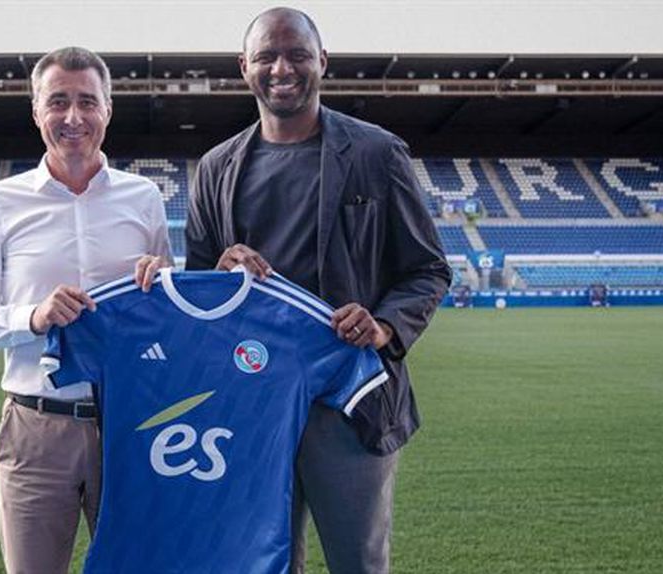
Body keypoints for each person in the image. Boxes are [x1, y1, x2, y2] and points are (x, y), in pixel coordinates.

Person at [139, 7, 450, 573]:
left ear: (322, 61)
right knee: (265, 565)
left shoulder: (377, 154)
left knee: (358, 564)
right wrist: (221, 272)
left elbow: (427, 269)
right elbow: (201, 300)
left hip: (348, 405)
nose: (282, 69)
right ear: (244, 67)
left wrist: (383, 326)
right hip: (250, 407)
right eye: (266, 57)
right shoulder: (216, 168)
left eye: (297, 55)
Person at [0, 46, 172, 574]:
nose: (73, 117)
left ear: (108, 109)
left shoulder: (144, 198)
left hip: (129, 427)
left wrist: (161, 286)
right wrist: (32, 317)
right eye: (58, 102)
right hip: (36, 428)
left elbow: (163, 316)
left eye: (87, 102)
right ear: (36, 111)